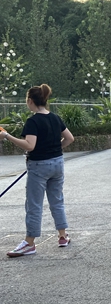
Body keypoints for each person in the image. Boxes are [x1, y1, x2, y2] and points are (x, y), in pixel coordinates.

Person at [1, 84, 75, 257]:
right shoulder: (55, 117)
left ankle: (29, 243)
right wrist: (56, 148)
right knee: (57, 200)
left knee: (34, 205)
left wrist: (7, 136)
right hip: (57, 163)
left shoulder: (33, 121)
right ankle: (63, 236)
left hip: (38, 166)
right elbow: (69, 138)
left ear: (30, 101)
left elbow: (30, 145)